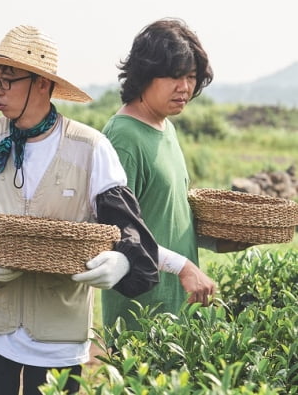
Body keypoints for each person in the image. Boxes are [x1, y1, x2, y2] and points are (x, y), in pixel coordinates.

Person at [0, 25, 162, 395]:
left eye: (8, 80)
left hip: (59, 336)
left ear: (42, 83)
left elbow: (129, 229)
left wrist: (121, 261)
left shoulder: (90, 148)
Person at [101, 18, 250, 333]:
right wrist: (181, 266)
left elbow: (162, 216)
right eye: (174, 76)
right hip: (142, 319)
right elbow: (112, 232)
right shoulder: (124, 138)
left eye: (191, 77)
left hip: (178, 310)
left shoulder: (165, 127)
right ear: (144, 75)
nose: (185, 88)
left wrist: (219, 240)